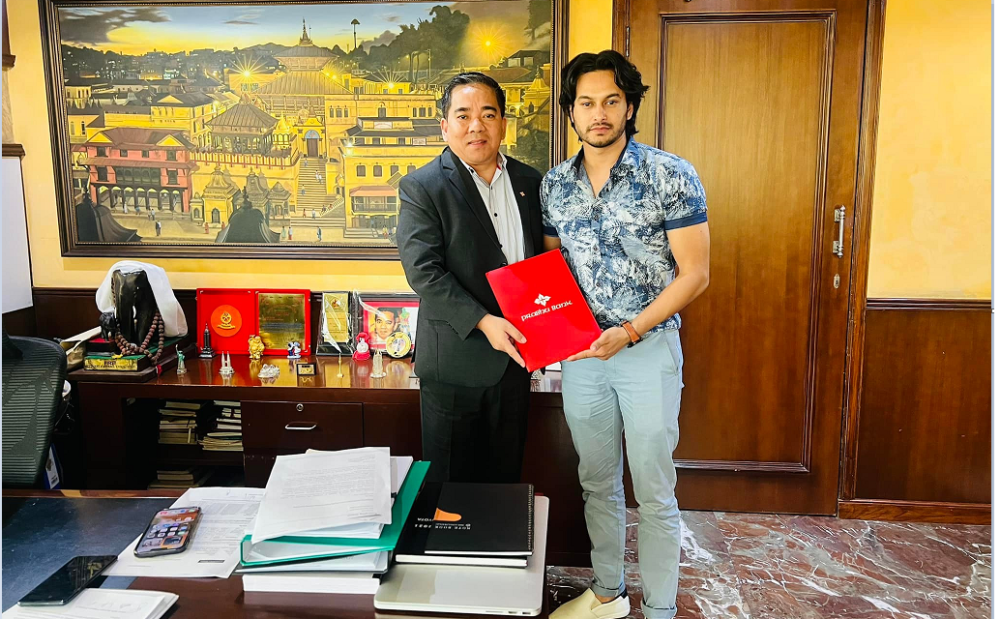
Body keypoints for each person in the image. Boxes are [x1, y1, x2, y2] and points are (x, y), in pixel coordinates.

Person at [542, 51, 711, 619]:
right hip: (582, 357)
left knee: (655, 490)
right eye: (586, 102)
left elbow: (695, 274)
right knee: (596, 482)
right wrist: (552, 335)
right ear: (571, 112)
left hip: (647, 350)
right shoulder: (554, 186)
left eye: (611, 101)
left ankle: (660, 609)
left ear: (630, 107)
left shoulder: (671, 173)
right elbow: (552, 272)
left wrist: (631, 331)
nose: (599, 113)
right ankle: (607, 593)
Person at [397, 72, 543, 484]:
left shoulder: (531, 182)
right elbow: (423, 270)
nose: (476, 125)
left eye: (488, 114)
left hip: (516, 362)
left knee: (505, 485)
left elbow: (542, 263)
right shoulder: (422, 186)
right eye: (463, 116)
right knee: (450, 494)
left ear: (503, 124)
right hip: (454, 367)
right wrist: (483, 321)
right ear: (445, 127)